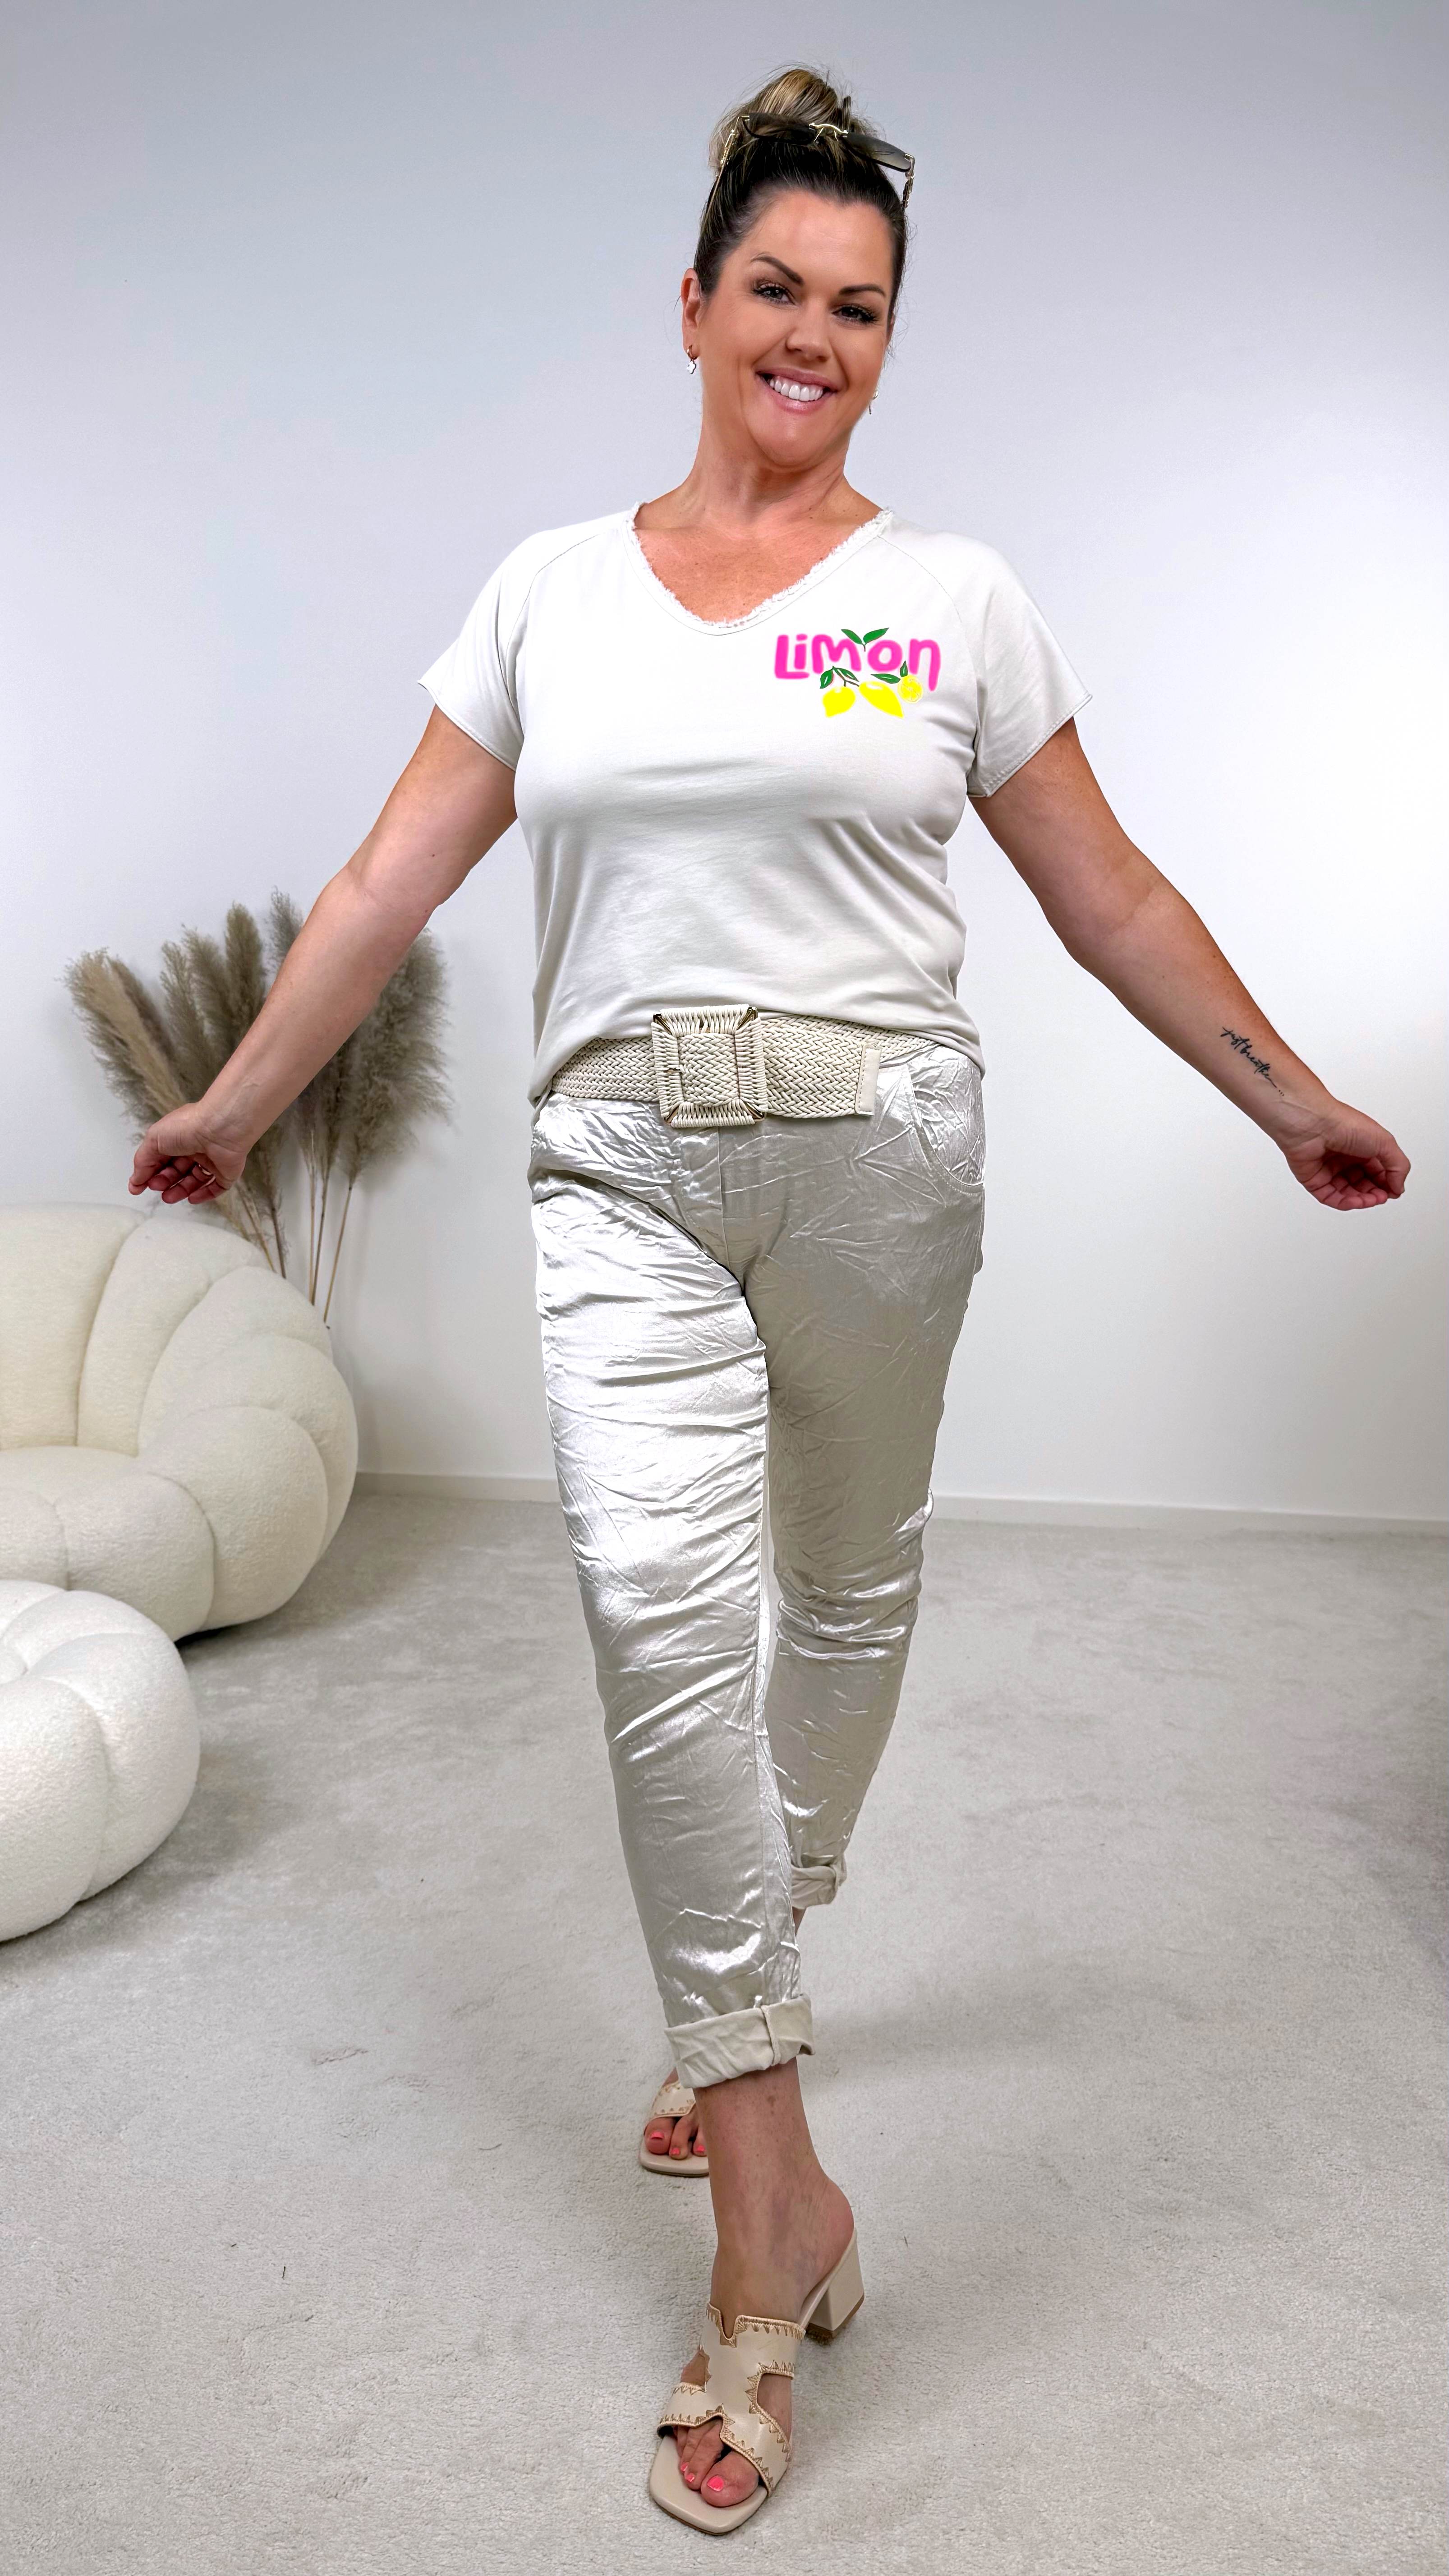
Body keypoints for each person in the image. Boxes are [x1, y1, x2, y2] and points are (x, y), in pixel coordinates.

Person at [128, 67, 1410, 2535]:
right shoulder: (550, 593)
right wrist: (242, 1099)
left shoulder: (952, 601)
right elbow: (388, 884)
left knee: (844, 1597)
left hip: (879, 1164)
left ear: (887, 340)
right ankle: (767, 2206)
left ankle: (755, 1956)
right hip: (616, 1160)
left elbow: (1111, 896)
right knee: (652, 1618)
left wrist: (1288, 1097)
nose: (817, 338)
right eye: (779, 292)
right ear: (695, 306)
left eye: (864, 308)